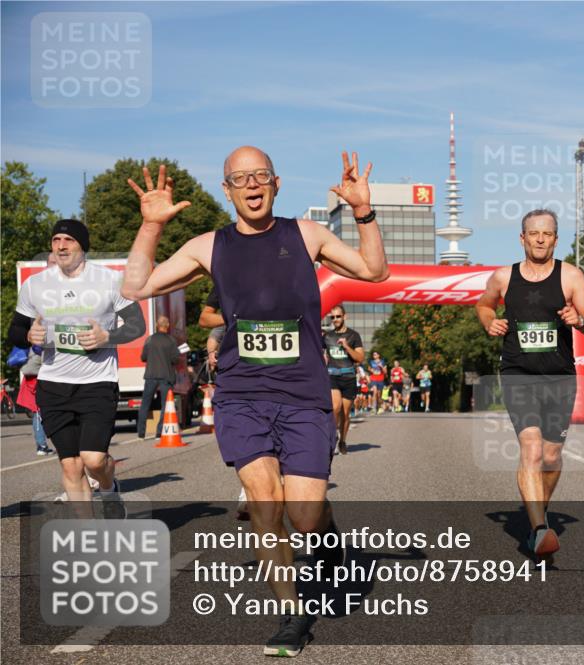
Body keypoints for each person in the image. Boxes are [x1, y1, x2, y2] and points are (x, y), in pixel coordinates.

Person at [121, 149, 388, 657]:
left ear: (276, 183)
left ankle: (327, 537)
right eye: (239, 178)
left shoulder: (306, 235)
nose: (251, 184)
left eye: (260, 175)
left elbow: (374, 271)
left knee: (305, 517)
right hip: (242, 395)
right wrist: (151, 226)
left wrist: (362, 212)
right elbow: (136, 285)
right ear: (227, 190)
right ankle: (291, 614)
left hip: (305, 395)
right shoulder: (208, 246)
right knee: (265, 505)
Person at [475, 209, 584, 560]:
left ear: (556, 239)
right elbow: (483, 306)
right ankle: (538, 528)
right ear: (522, 238)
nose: (540, 238)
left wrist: (579, 320)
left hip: (559, 375)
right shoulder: (503, 277)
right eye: (534, 233)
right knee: (530, 450)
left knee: (551, 455)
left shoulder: (571, 276)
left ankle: (538, 511)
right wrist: (490, 322)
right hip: (517, 373)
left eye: (547, 233)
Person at [7, 219, 145, 506]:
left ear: (83, 246)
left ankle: (108, 488)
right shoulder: (36, 285)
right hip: (53, 384)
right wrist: (28, 335)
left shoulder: (110, 281)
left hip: (97, 383)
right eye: (56, 240)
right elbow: (15, 331)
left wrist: (105, 337)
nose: (61, 245)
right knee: (70, 465)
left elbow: (137, 326)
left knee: (93, 461)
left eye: (68, 240)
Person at [323, 305, 363, 455]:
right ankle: (332, 438)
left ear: (345, 317)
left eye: (338, 316)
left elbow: (360, 357)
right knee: (335, 407)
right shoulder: (327, 336)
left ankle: (343, 440)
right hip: (332, 376)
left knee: (345, 413)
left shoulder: (354, 335)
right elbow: (319, 352)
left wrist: (346, 346)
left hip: (348, 377)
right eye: (332, 317)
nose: (335, 320)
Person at [137, 316, 180, 439]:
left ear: (157, 325)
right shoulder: (171, 340)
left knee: (145, 403)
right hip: (166, 376)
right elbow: (175, 359)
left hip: (150, 375)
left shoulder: (149, 340)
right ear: (167, 326)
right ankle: (159, 432)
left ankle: (141, 433)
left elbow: (143, 357)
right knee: (165, 405)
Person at [17, 345, 54, 455]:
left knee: (37, 415)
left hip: (31, 386)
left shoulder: (28, 350)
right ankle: (41, 446)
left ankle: (41, 445)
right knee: (38, 417)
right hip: (37, 386)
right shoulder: (39, 351)